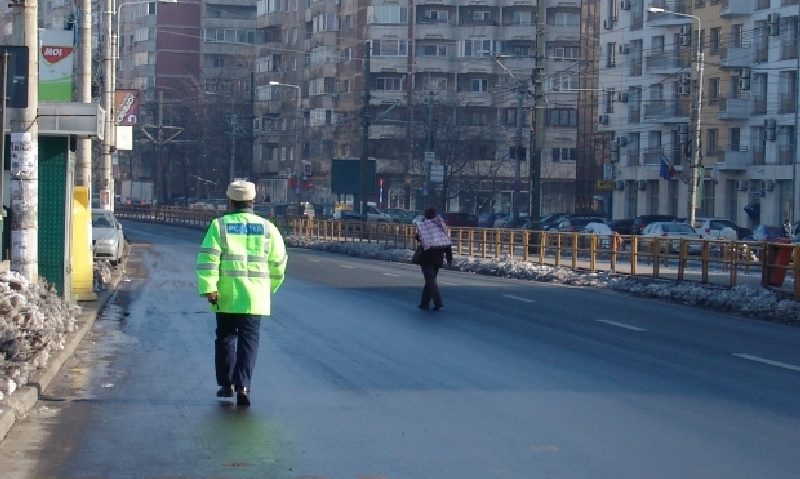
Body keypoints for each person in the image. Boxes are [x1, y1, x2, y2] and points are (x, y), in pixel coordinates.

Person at [196, 180, 288, 406]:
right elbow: (279, 262)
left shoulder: (219, 226)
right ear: (253, 201)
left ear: (230, 201)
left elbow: (208, 259)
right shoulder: (268, 228)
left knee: (225, 337)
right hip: (254, 298)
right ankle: (244, 386)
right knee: (249, 341)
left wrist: (209, 287)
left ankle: (226, 384)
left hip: (226, 295)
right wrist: (269, 287)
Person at [414, 207, 453, 311]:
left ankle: (438, 302)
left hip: (426, 259)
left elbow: (418, 237)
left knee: (430, 281)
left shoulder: (424, 225)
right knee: (430, 281)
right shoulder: (441, 226)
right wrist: (449, 259)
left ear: (425, 215)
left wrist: (422, 228)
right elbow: (447, 243)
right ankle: (424, 303)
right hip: (438, 259)